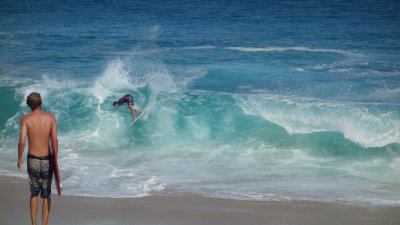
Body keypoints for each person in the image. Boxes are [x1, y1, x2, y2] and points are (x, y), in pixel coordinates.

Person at [18, 92, 58, 225]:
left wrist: (19, 159)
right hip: (47, 160)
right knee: (46, 195)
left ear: (29, 105)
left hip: (32, 160)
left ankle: (33, 224)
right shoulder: (50, 118)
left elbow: (22, 141)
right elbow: (54, 140)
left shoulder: (26, 119)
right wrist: (55, 160)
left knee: (34, 193)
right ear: (41, 103)